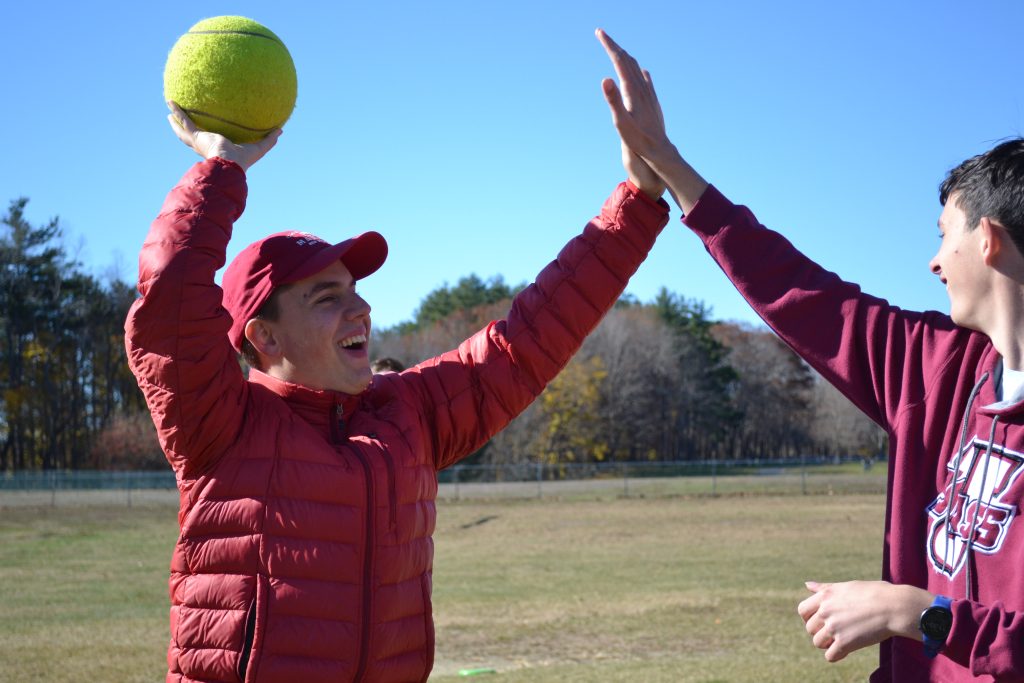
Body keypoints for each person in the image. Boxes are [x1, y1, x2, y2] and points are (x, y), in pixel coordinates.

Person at [124, 98, 668, 683]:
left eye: (354, 289)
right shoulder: (220, 423)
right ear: (265, 336)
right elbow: (171, 301)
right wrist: (221, 169)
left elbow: (530, 337)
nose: (361, 307)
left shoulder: (408, 413)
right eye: (326, 298)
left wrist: (637, 202)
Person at [595, 28, 1024, 683]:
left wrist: (919, 612)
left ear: (989, 240)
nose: (933, 260)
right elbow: (801, 292)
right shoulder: (938, 368)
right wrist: (672, 167)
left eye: (945, 235)